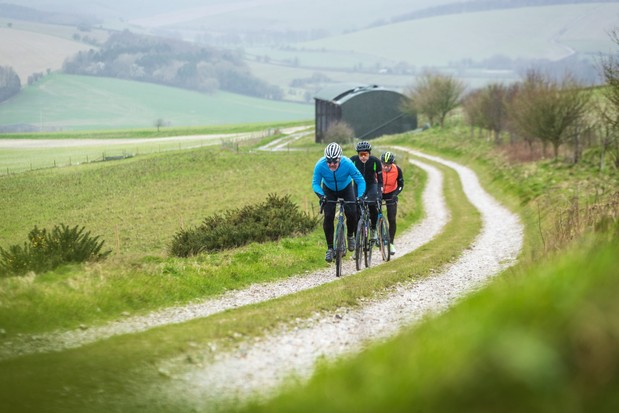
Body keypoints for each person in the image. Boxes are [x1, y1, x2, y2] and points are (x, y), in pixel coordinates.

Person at [312, 142, 366, 263]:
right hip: (329, 189)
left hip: (346, 188)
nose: (331, 164)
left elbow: (360, 181)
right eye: (329, 161)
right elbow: (315, 183)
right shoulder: (320, 165)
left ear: (339, 158)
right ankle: (330, 248)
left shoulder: (348, 164)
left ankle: (350, 235)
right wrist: (321, 195)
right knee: (329, 216)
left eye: (334, 162)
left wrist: (360, 196)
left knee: (352, 213)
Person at [349, 141, 383, 241]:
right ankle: (357, 235)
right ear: (358, 154)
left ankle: (373, 229)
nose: (363, 157)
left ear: (369, 154)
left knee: (372, 205)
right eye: (361, 155)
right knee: (356, 210)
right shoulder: (353, 161)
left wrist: (380, 193)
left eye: (365, 154)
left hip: (371, 185)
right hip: (357, 186)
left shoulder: (375, 161)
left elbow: (380, 181)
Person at [380, 151, 404, 255]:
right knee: (374, 214)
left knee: (392, 218)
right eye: (383, 165)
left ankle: (391, 243)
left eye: (388, 165)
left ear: (392, 164)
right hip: (379, 193)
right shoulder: (377, 169)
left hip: (391, 194)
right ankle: (377, 235)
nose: (385, 167)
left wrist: (395, 194)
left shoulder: (397, 170)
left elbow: (401, 184)